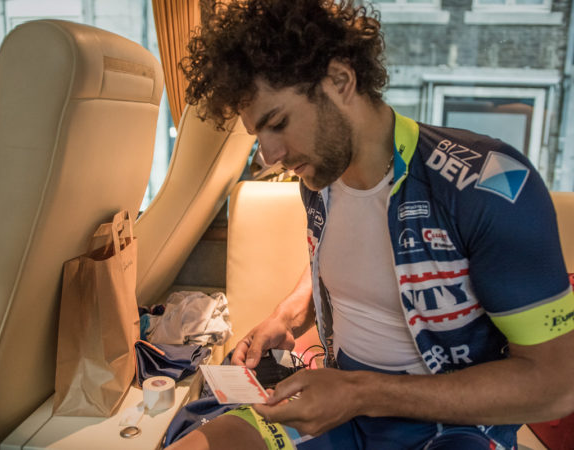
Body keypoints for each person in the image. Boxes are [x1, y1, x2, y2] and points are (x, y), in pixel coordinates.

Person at [168, 0, 574, 448]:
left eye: (278, 123)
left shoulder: (486, 185)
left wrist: (361, 393)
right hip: (341, 408)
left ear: (341, 80)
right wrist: (286, 316)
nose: (270, 155)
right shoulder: (318, 181)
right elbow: (355, 261)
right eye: (259, 136)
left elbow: (556, 385)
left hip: (457, 427)